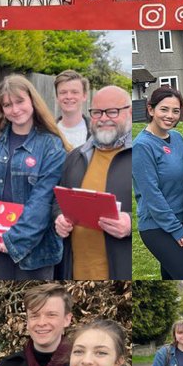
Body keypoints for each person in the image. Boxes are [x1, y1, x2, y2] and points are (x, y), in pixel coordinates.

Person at [0, 75, 68, 280]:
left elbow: (42, 200)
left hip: (36, 250)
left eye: (20, 101)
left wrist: (11, 241)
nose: (15, 109)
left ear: (32, 101)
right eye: (8, 105)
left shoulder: (52, 145)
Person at [54, 85, 133, 280]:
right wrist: (58, 218)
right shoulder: (75, 157)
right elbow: (56, 201)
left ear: (129, 112)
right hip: (77, 272)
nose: (104, 118)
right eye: (97, 112)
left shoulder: (140, 154)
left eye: (112, 112)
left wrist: (131, 223)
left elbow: (160, 204)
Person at [132, 86, 183, 280]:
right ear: (151, 110)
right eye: (164, 109)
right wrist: (176, 229)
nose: (170, 115)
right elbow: (152, 194)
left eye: (175, 111)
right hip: (158, 226)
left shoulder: (176, 138)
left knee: (170, 277)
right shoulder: (142, 146)